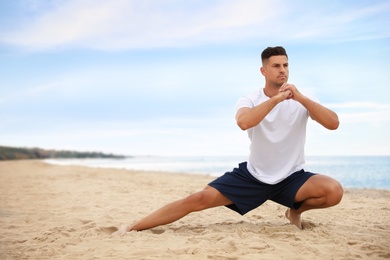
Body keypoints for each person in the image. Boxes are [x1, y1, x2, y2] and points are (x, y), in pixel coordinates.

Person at [114, 46, 343, 236]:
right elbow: (244, 122)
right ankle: (132, 228)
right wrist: (277, 99)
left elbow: (333, 123)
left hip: (291, 178)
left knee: (333, 191)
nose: (282, 70)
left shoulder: (303, 99)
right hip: (253, 177)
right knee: (198, 198)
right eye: (276, 66)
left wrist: (300, 97)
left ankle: (294, 212)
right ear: (263, 70)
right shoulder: (249, 98)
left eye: (285, 65)